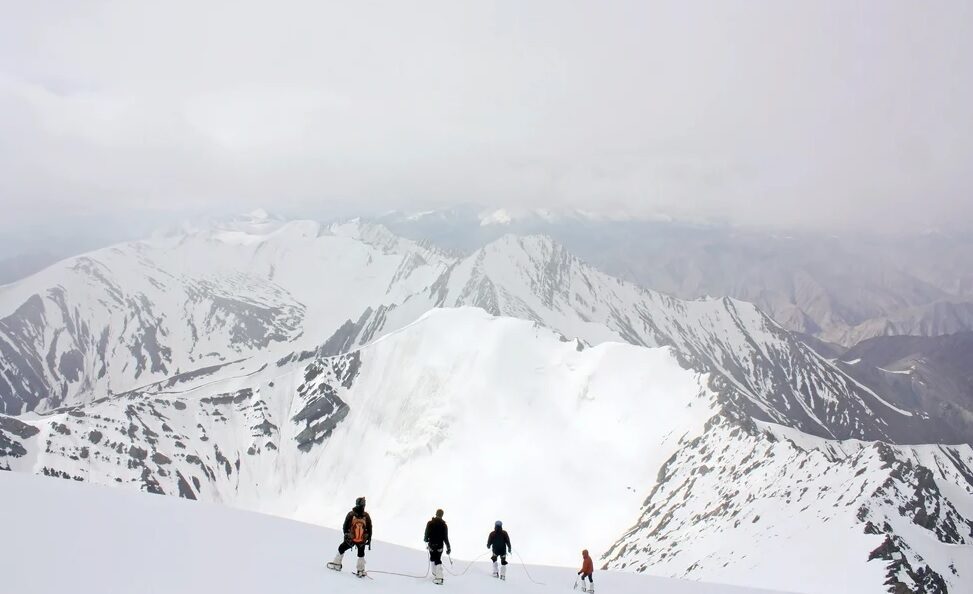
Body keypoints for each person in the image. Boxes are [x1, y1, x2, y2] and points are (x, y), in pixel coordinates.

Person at [327, 496, 372, 577]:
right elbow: (369, 528)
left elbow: (344, 527)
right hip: (362, 540)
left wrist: (347, 535)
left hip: (350, 539)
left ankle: (337, 564)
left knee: (341, 548)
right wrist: (368, 539)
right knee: (361, 554)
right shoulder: (366, 516)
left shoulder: (351, 514)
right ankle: (360, 570)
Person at [424, 509, 452, 585]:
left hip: (431, 545)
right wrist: (448, 548)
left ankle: (438, 577)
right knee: (437, 559)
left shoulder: (430, 523)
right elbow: (445, 538)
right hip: (440, 546)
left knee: (433, 558)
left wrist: (426, 539)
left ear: (436, 514)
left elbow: (426, 534)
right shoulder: (444, 525)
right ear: (442, 515)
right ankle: (436, 573)